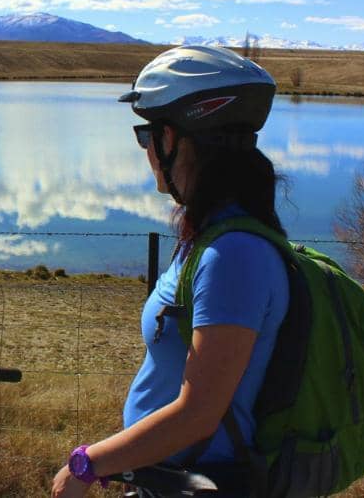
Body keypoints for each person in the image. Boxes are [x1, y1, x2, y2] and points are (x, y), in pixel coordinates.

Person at [52, 45, 290, 497]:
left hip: (202, 484)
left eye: (147, 136)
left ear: (175, 141)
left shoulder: (233, 256)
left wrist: (85, 465)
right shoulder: (213, 237)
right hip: (166, 480)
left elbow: (198, 412)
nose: (144, 150)